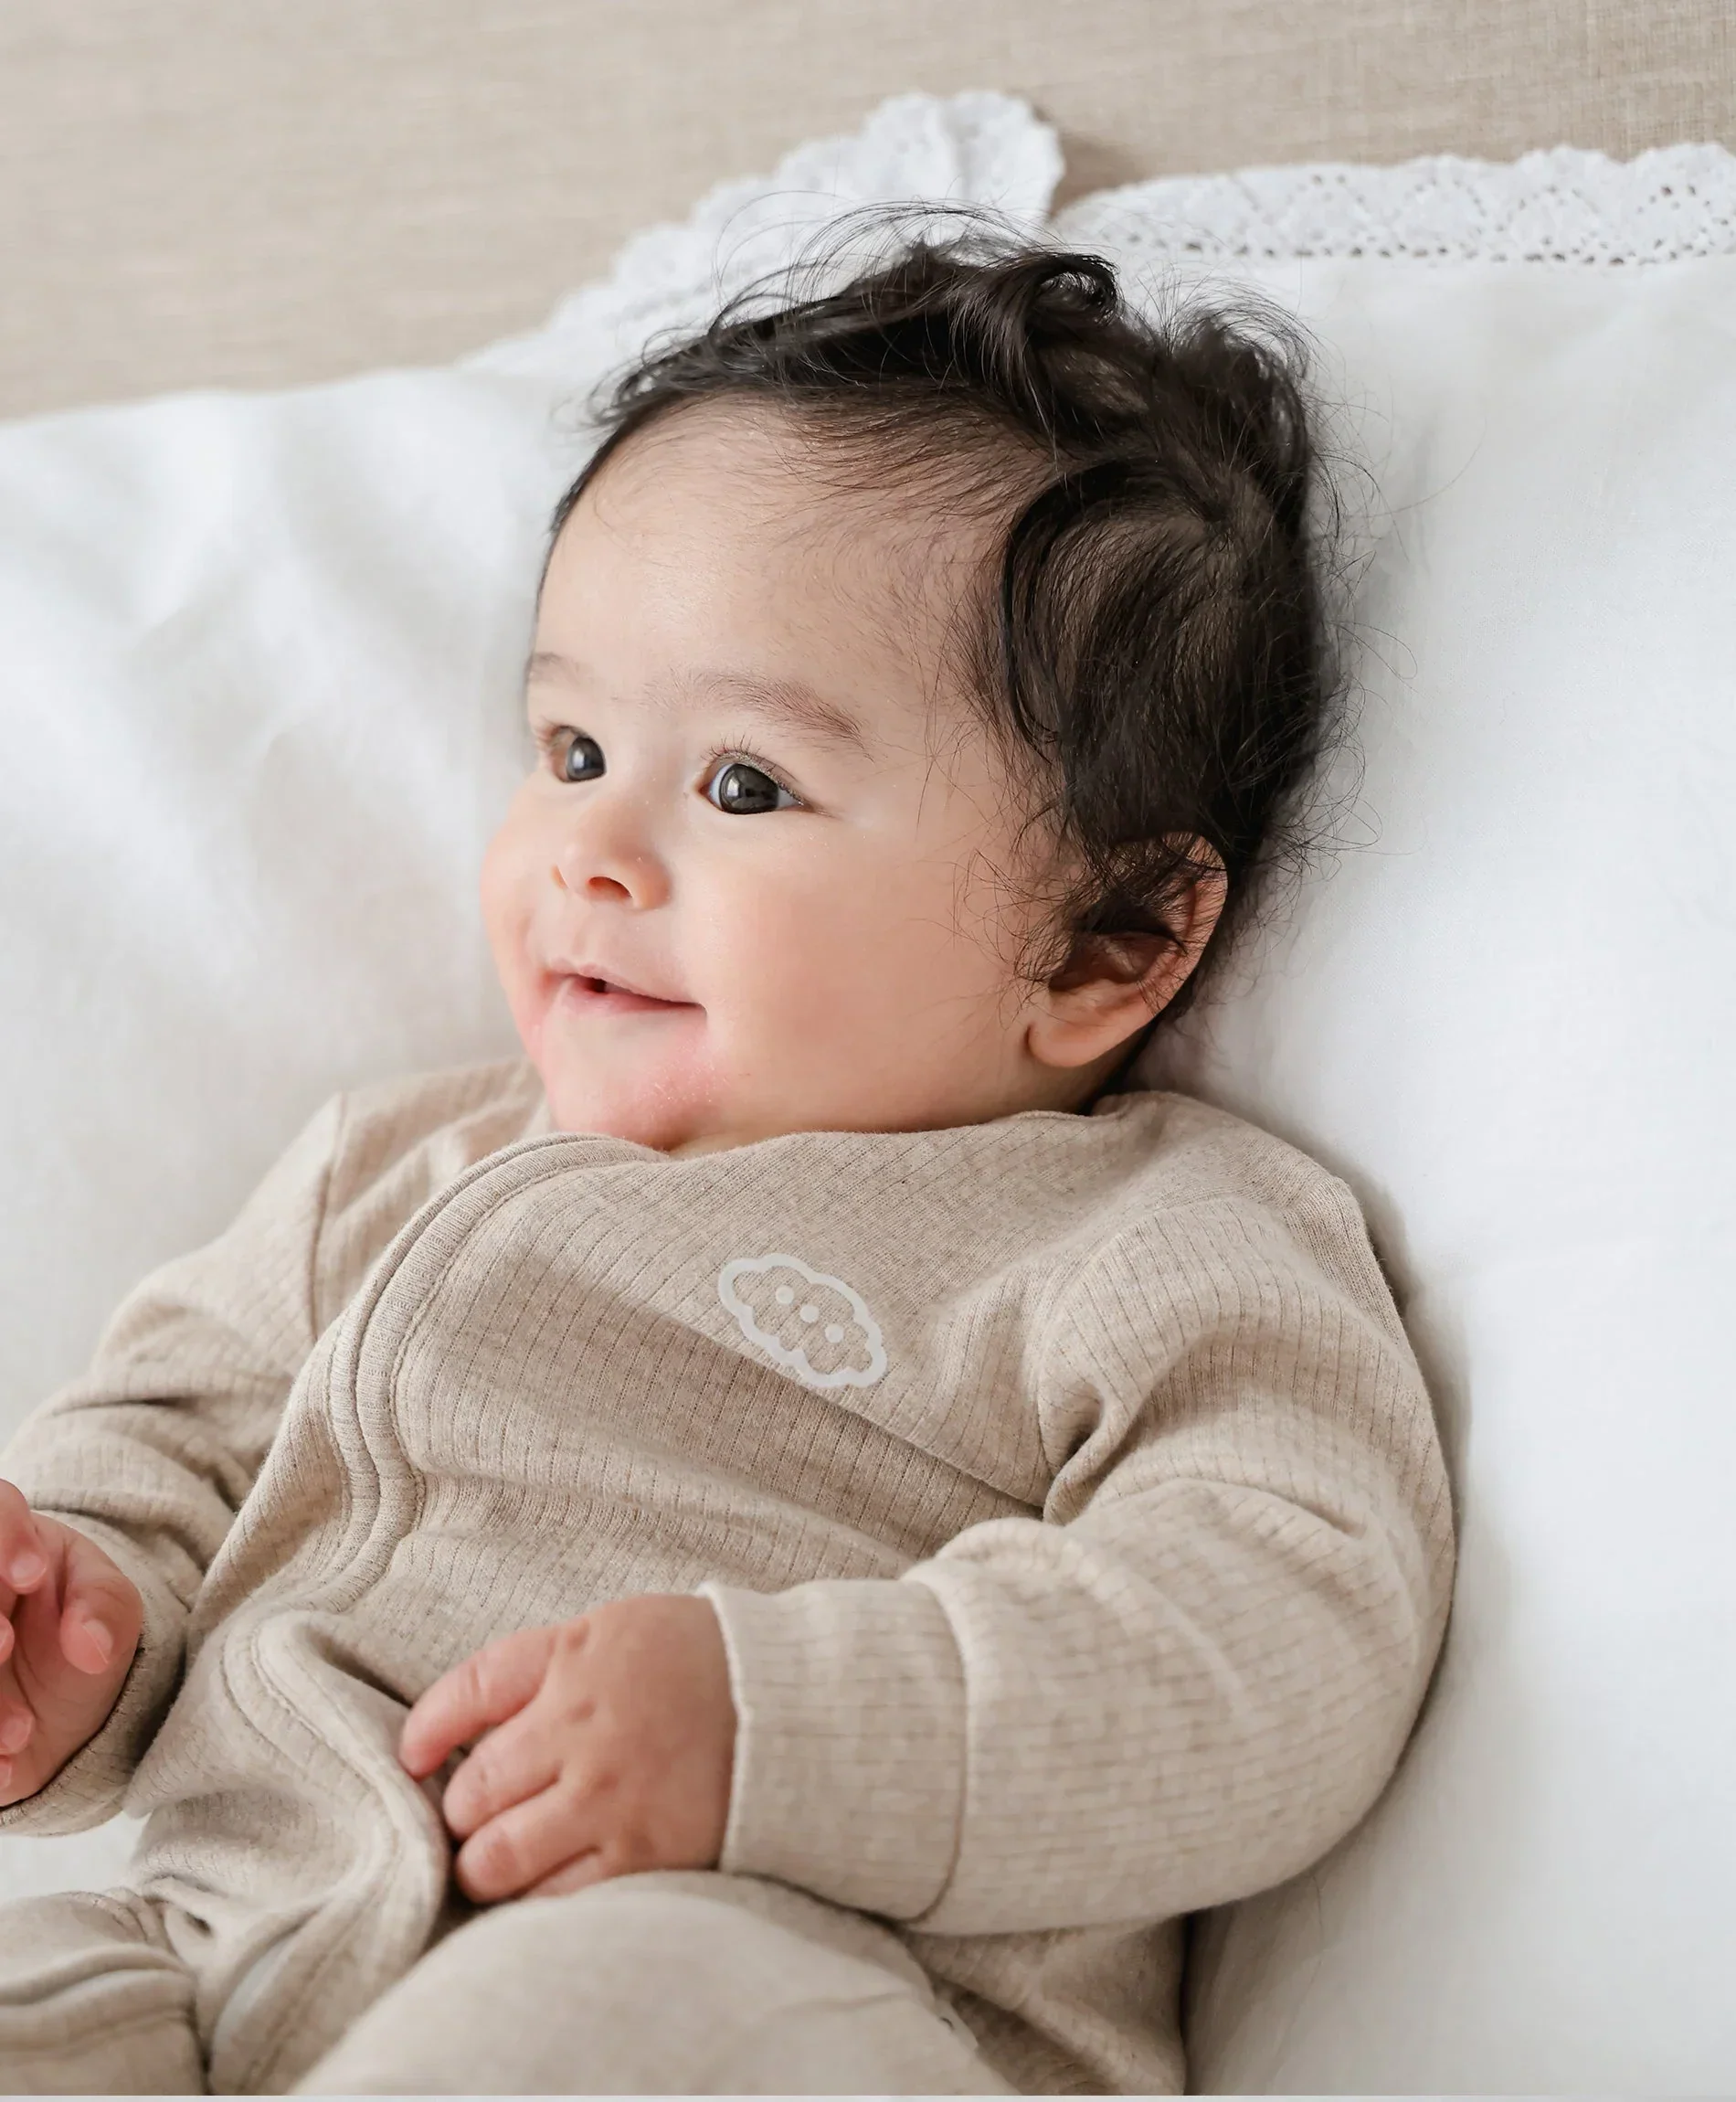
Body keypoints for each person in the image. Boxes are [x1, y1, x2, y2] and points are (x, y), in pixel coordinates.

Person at [0, 218, 1453, 2096]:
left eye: (743, 784)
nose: (591, 853)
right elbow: (175, 1446)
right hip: (223, 1955)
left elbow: (1274, 1636)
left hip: (780, 1976)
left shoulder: (1149, 1238)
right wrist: (78, 1621)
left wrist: (778, 1732)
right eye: (570, 747)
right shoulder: (387, 1169)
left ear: (1105, 946)